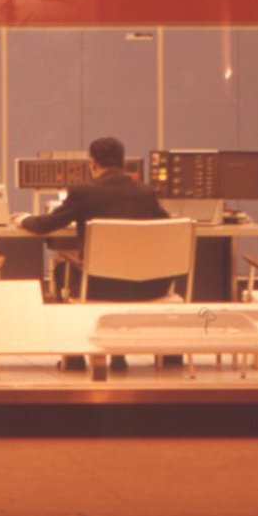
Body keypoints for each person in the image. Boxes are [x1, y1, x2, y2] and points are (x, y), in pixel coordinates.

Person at [15, 136, 175, 370]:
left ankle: (75, 357)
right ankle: (122, 356)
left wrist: (23, 219)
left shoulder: (83, 191)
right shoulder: (145, 192)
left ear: (93, 163)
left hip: (99, 285)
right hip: (148, 286)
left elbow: (45, 225)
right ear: (122, 163)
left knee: (62, 270)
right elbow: (165, 227)